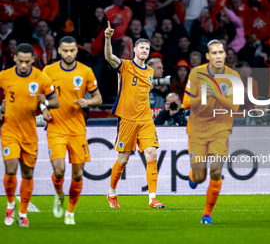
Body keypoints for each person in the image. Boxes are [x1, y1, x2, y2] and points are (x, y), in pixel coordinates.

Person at [104, 22, 165, 208]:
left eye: (147, 48)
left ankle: (152, 199)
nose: (145, 50)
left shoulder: (150, 72)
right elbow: (109, 57)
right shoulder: (125, 66)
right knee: (123, 159)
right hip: (127, 119)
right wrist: (107, 38)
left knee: (152, 153)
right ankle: (112, 193)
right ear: (135, 50)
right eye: (142, 47)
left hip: (146, 119)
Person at [42, 36, 102, 225]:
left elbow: (98, 98)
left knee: (77, 174)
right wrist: (44, 108)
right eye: (65, 50)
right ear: (59, 51)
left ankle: (70, 212)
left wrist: (89, 101)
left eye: (72, 50)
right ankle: (59, 194)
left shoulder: (86, 71)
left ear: (77, 51)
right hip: (56, 128)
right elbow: (38, 94)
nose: (69, 54)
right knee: (59, 171)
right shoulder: (48, 70)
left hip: (77, 130)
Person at [183, 39, 241, 224]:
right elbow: (185, 104)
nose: (218, 56)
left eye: (220, 52)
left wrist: (216, 94)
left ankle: (207, 214)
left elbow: (236, 107)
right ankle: (193, 176)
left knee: (216, 171)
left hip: (221, 129)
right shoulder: (196, 73)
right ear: (208, 56)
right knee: (200, 177)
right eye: (214, 53)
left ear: (225, 55)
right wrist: (201, 97)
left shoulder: (234, 77)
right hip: (198, 130)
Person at [2, 43, 59, 227]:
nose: (24, 65)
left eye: (27, 62)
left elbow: (55, 101)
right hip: (10, 130)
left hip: (29, 134)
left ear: (33, 60)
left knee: (27, 174)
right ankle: (10, 203)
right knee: (10, 170)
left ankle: (23, 213)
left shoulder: (41, 78)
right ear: (15, 58)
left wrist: (45, 105)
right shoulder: (5, 75)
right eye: (21, 61)